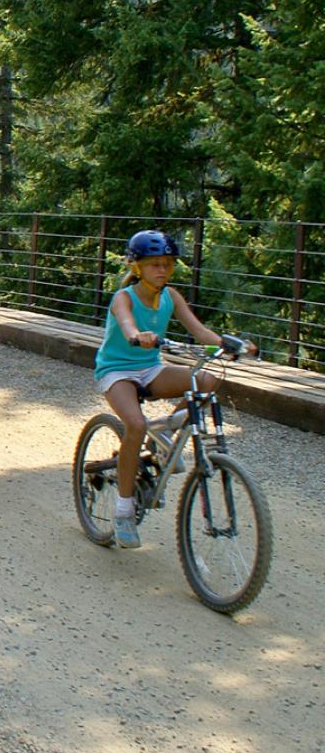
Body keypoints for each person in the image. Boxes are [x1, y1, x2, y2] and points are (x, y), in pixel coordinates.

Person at [94, 229, 252, 549]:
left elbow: (199, 331)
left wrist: (232, 344)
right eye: (154, 264)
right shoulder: (123, 297)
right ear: (136, 267)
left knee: (207, 380)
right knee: (136, 425)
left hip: (151, 369)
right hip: (117, 371)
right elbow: (126, 323)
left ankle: (165, 434)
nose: (162, 270)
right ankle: (124, 511)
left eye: (167, 264)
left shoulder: (171, 296)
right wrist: (138, 334)